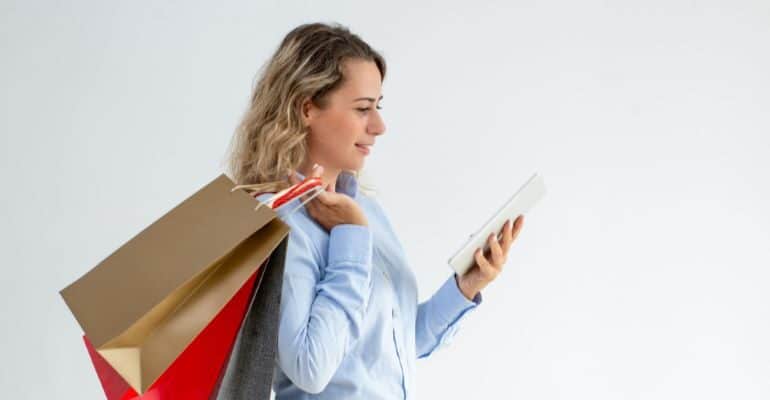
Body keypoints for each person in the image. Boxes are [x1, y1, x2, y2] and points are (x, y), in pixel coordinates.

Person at [225, 22, 524, 399]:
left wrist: (466, 287)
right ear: (306, 108)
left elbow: (395, 347)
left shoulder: (365, 211)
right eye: (363, 108)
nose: (380, 126)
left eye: (378, 107)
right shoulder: (280, 222)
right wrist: (351, 240)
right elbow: (309, 367)